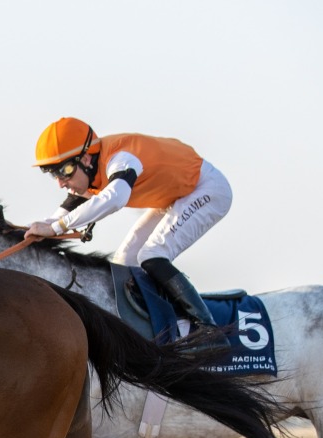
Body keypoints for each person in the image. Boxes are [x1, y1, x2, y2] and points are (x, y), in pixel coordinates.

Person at [22, 117, 232, 333]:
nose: (60, 182)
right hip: (174, 197)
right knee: (125, 262)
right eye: (53, 173)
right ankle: (162, 326)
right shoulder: (88, 175)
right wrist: (26, 231)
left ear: (85, 158)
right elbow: (56, 219)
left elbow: (116, 198)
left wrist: (57, 228)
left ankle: (208, 331)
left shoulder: (120, 159)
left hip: (207, 189)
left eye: (64, 170)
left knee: (152, 254)